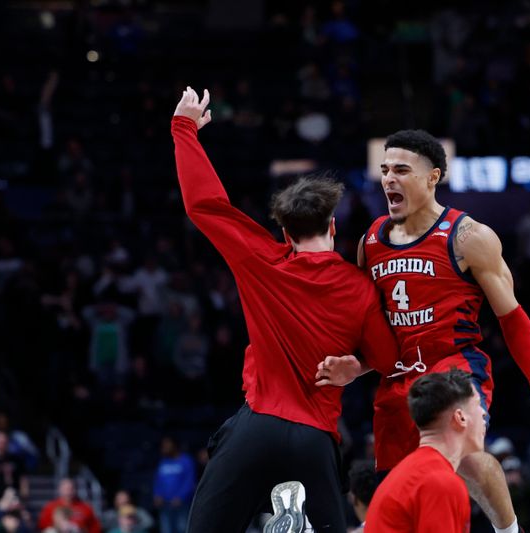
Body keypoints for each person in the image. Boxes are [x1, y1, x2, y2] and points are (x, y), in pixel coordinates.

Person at [172, 87, 401, 532]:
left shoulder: (262, 259)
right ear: (333, 226)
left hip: (255, 428)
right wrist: (356, 367)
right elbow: (391, 361)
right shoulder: (360, 287)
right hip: (314, 438)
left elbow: (204, 205)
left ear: (284, 232)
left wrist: (184, 129)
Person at [317, 128, 530, 532]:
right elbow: (373, 330)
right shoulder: (371, 242)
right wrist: (356, 367)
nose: (388, 179)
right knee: (400, 484)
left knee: (465, 457)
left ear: (433, 177)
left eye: (401, 169)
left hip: (452, 367)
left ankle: (511, 531)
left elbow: (512, 316)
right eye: (384, 170)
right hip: (397, 378)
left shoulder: (470, 237)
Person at [365, 369, 485, 532]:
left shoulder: (417, 472)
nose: (483, 412)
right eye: (478, 404)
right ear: (460, 418)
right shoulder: (439, 482)